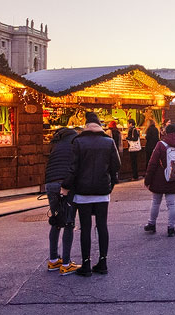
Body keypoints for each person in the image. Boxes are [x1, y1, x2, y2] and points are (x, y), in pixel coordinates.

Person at [62, 112, 121, 277]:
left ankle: (86, 263)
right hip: (102, 190)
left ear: (86, 125)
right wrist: (110, 183)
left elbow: (73, 168)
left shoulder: (79, 142)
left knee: (85, 227)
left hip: (83, 191)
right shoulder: (108, 142)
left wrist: (66, 186)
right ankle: (103, 261)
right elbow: (117, 165)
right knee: (102, 226)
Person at [44, 127, 80, 275]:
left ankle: (53, 260)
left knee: (56, 220)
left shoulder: (56, 145)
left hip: (50, 183)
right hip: (65, 183)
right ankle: (66, 263)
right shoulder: (75, 143)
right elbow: (75, 166)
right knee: (69, 222)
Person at [144, 123, 175, 237]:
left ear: (166, 132)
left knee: (156, 202)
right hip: (174, 177)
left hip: (159, 178)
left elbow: (152, 163)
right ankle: (171, 228)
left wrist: (147, 180)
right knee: (172, 204)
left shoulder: (161, 144)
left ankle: (151, 224)